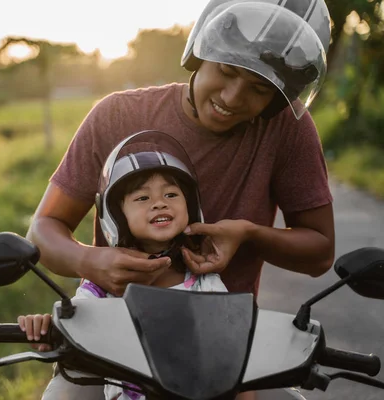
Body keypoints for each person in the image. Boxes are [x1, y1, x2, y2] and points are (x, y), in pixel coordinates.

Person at [26, 0, 335, 397]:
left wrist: (249, 235)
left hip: (225, 352)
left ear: (280, 100)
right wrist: (91, 261)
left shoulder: (286, 129)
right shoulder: (116, 116)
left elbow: (320, 251)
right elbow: (44, 229)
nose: (234, 96)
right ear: (199, 52)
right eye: (227, 70)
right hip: (110, 350)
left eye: (260, 89)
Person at [19, 135, 229, 400]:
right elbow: (79, 324)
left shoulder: (204, 280)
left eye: (172, 194)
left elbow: (233, 338)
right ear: (117, 216)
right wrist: (50, 328)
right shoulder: (102, 286)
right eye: (142, 198)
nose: (160, 202)